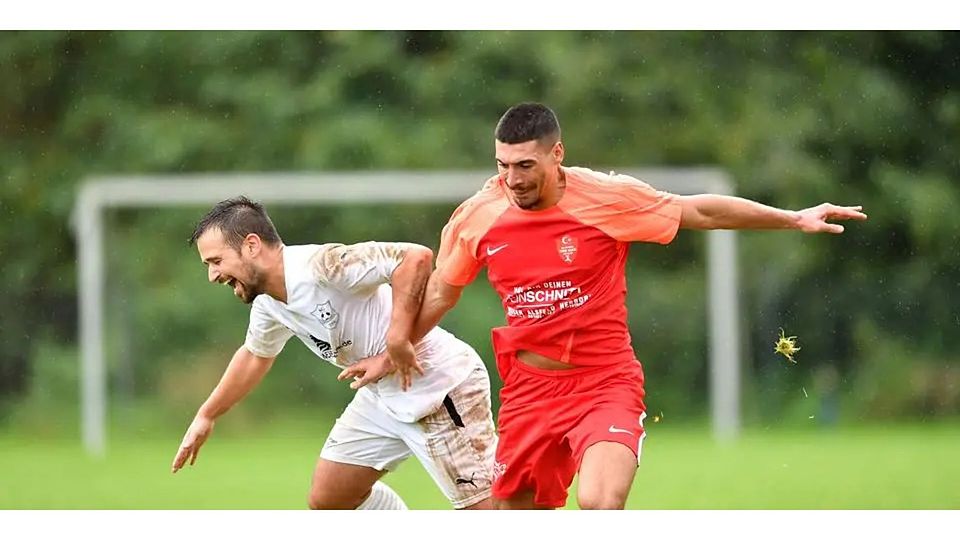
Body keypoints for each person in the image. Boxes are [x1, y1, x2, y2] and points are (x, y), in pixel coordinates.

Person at [386, 102, 868, 510]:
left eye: (525, 166)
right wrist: (394, 348)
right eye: (502, 165)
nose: (512, 179)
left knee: (600, 502)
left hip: (603, 381)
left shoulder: (607, 199)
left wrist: (793, 218)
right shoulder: (478, 215)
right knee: (515, 513)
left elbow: (700, 211)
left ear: (557, 155)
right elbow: (442, 292)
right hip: (529, 391)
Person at [170, 196, 496, 510]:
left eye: (216, 261)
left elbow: (415, 258)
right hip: (382, 395)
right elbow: (255, 355)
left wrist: (397, 338)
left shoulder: (320, 267)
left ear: (251, 246)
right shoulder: (269, 303)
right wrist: (207, 414)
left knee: (486, 514)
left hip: (438, 387)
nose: (213, 275)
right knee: (330, 499)